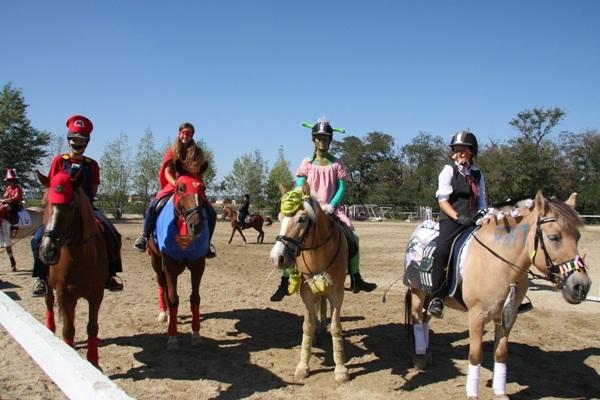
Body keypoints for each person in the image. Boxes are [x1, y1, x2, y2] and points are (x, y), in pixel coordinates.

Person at [270, 117, 377, 302]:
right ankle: (285, 282)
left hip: (331, 209)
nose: (322, 141)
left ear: (330, 140)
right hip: (308, 208)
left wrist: (332, 205)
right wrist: (302, 200)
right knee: (291, 238)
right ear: (313, 140)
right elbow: (300, 185)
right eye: (319, 138)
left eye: (326, 138)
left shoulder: (337, 164)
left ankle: (356, 277)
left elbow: (341, 188)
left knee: (353, 236)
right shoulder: (306, 163)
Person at [31, 115, 124, 296]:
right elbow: (51, 186)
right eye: (75, 139)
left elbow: (93, 190)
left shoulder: (92, 165)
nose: (78, 143)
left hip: (87, 208)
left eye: (82, 140)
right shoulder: (59, 161)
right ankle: (41, 278)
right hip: (60, 208)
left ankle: (111, 275)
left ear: (87, 142)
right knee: (37, 239)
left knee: (113, 234)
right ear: (69, 140)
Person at [427, 130, 487, 319]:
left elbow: (482, 200)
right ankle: (437, 298)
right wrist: (458, 217)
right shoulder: (448, 171)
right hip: (452, 219)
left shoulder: (477, 174)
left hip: (474, 220)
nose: (459, 153)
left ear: (472, 151)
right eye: (456, 149)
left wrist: (483, 216)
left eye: (463, 149)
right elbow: (443, 201)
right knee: (442, 251)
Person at [133, 122, 216, 257]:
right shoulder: (172, 151)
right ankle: (144, 236)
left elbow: (198, 171)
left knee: (211, 211)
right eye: (183, 133)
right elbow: (167, 172)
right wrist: (176, 184)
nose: (185, 136)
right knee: (154, 205)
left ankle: (207, 244)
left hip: (192, 187)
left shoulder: (197, 152)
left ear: (192, 135)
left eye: (189, 133)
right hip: (174, 185)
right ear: (179, 133)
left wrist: (196, 184)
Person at [0, 168, 23, 271]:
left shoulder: (18, 188)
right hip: (8, 203)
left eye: (12, 180)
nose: (10, 182)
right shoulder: (8, 188)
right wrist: (3, 199)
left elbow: (16, 197)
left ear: (15, 180)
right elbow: (5, 195)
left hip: (16, 205)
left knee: (7, 208)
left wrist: (6, 199)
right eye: (9, 180)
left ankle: (14, 226)